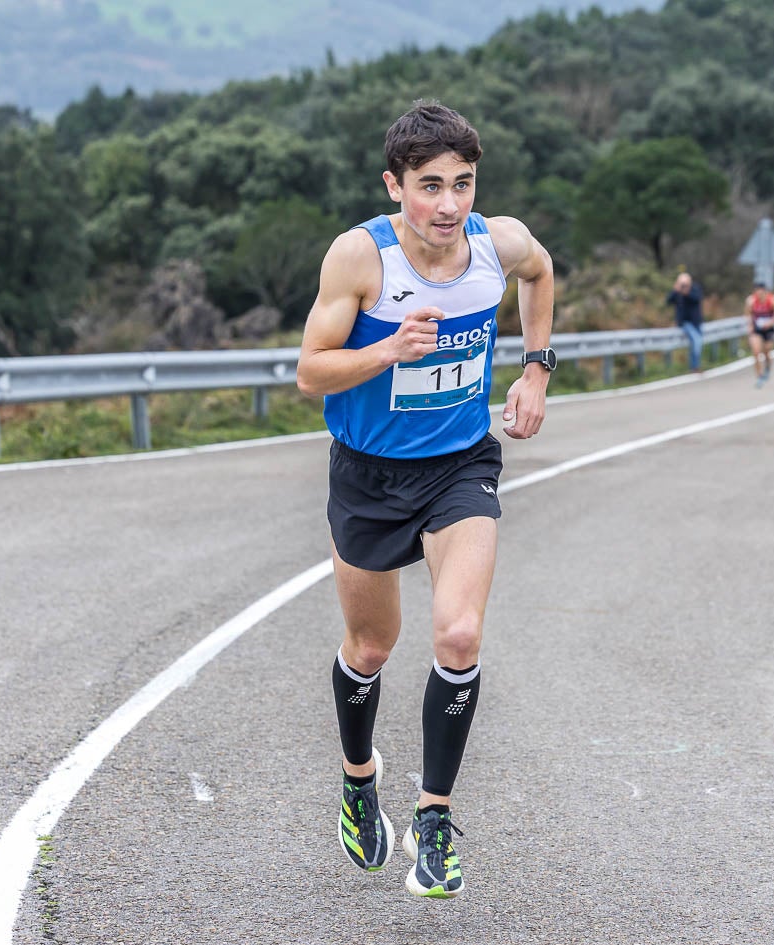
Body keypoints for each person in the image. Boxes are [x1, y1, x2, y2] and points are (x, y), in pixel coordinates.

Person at [296, 100, 555, 900]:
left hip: (457, 467)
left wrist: (535, 367)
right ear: (394, 185)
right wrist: (385, 350)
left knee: (459, 631)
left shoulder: (495, 244)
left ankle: (434, 815)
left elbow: (541, 272)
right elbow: (310, 372)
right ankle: (357, 777)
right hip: (369, 477)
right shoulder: (360, 259)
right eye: (429, 185)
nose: (448, 204)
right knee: (372, 647)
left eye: (463, 184)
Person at [745, 281, 774, 387]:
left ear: (765, 291)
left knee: (766, 351)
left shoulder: (773, 300)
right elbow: (748, 315)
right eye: (756, 291)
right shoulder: (751, 300)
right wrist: (750, 326)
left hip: (769, 329)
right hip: (757, 329)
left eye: (761, 291)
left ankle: (767, 367)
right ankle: (759, 377)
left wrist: (771, 322)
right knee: (756, 352)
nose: (759, 293)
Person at [666, 270, 705, 372]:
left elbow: (697, 299)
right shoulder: (677, 292)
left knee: (696, 343)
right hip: (685, 323)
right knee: (697, 341)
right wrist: (675, 290)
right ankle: (695, 366)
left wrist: (686, 292)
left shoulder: (694, 289)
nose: (683, 286)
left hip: (696, 322)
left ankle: (694, 366)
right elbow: (668, 301)